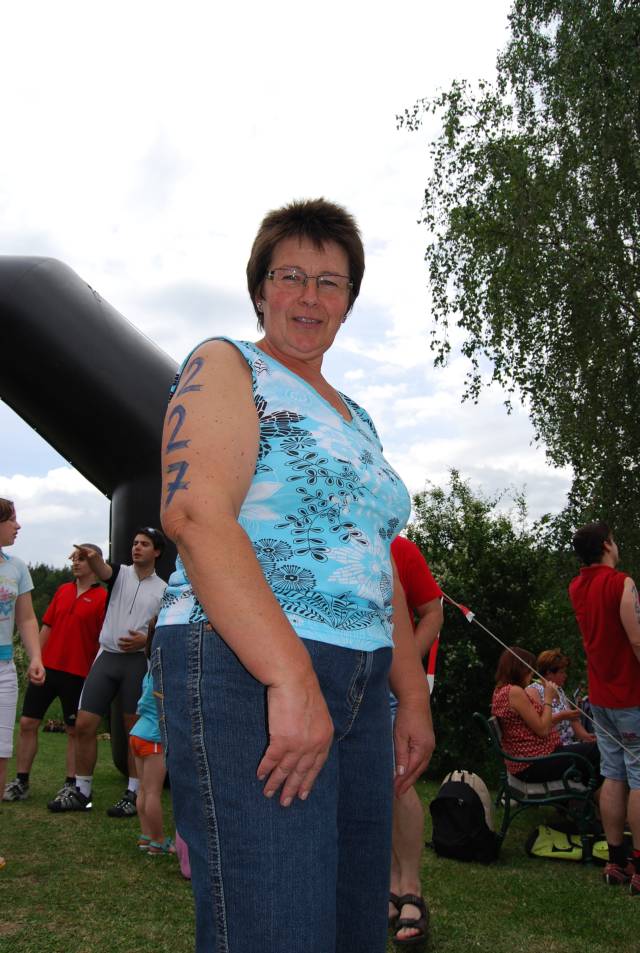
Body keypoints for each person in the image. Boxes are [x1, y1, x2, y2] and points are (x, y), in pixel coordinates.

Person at [153, 198, 434, 953]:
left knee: (352, 927)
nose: (310, 296)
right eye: (291, 276)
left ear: (349, 301)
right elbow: (195, 514)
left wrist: (410, 696)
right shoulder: (226, 364)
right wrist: (290, 677)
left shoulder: (359, 417)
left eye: (330, 282)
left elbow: (374, 558)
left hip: (361, 679)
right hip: (251, 665)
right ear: (260, 289)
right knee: (277, 928)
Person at [48, 528, 166, 815]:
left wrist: (145, 640)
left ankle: (133, 794)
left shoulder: (164, 589)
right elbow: (102, 569)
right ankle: (82, 792)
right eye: (135, 543)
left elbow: (162, 630)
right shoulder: (120, 574)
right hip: (107, 657)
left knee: (133, 730)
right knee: (84, 723)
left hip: (136, 663)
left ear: (157, 552)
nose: (137, 547)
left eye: (144, 544)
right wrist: (91, 557)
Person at [3, 544, 106, 805]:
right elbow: (46, 626)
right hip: (48, 669)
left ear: (95, 563)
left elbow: (102, 640)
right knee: (27, 723)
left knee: (74, 730)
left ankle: (71, 784)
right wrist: (34, 660)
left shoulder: (103, 597)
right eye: (74, 559)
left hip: (78, 673)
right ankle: (21, 781)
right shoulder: (63, 590)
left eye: (82, 559)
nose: (76, 563)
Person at [569, 521, 640, 893]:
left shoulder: (577, 587)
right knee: (639, 775)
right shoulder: (621, 583)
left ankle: (616, 862)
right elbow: (637, 640)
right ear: (608, 545)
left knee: (613, 774)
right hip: (631, 694)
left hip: (600, 697)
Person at [388, 535, 442, 948]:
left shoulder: (400, 548)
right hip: (330, 679)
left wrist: (403, 664)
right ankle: (388, 885)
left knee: (399, 781)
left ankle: (410, 888)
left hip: (389, 687)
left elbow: (433, 611)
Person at [0, 498, 45, 869]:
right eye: (12, 520)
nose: (18, 526)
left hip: (3, 671)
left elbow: (27, 619)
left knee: (0, 755)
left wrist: (35, 657)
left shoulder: (16, 567)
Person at [491, 645, 600, 784]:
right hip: (532, 764)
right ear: (518, 669)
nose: (531, 673)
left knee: (593, 755)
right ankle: (598, 794)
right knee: (597, 751)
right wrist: (548, 698)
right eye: (528, 669)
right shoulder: (514, 692)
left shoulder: (501, 691)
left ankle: (589, 794)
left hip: (536, 758)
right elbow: (542, 730)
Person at [130, 619, 174, 855]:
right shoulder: (166, 675)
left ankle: (146, 835)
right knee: (154, 793)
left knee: (143, 791)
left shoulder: (149, 673)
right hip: (154, 739)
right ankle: (158, 840)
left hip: (137, 734)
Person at [530, 649, 596, 746]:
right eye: (562, 672)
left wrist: (587, 737)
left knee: (598, 745)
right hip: (550, 747)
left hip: (568, 744)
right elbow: (539, 725)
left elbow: (573, 721)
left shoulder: (559, 690)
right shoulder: (533, 691)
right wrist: (563, 716)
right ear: (549, 673)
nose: (565, 675)